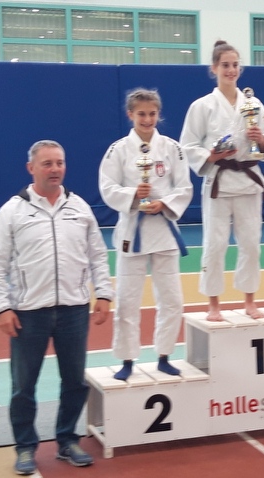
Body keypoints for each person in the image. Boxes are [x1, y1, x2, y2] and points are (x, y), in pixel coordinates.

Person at [0, 140, 113, 475]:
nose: (55, 169)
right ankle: (26, 447)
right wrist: (1, 308)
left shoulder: (79, 207)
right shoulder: (12, 211)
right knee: (23, 387)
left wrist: (104, 294)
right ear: (31, 168)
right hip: (28, 313)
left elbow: (97, 255)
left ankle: (67, 441)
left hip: (74, 311)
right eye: (47, 164)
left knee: (74, 382)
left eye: (59, 163)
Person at [99, 88, 193, 381]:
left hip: (163, 230)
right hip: (133, 231)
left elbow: (185, 187)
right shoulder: (118, 150)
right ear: (130, 114)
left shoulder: (172, 148)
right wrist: (133, 195)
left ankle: (164, 355)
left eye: (152, 114)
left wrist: (164, 203)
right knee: (127, 301)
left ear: (158, 114)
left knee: (172, 300)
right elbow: (107, 187)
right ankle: (127, 359)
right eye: (141, 114)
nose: (147, 119)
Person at [180, 40, 264, 322]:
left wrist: (262, 140)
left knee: (251, 243)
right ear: (214, 68)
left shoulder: (253, 104)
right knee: (215, 244)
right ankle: (213, 304)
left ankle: (250, 301)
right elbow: (187, 145)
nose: (231, 70)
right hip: (219, 181)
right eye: (225, 65)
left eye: (235, 65)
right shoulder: (202, 106)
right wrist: (210, 155)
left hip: (247, 180)